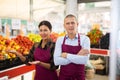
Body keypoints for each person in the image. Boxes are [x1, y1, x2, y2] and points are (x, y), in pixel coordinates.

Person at [54, 14, 90, 80]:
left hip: (79, 77)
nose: (70, 25)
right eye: (67, 23)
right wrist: (78, 56)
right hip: (63, 77)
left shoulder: (85, 39)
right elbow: (57, 61)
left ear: (77, 24)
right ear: (64, 26)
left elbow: (84, 60)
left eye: (72, 23)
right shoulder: (60, 40)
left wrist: (66, 55)